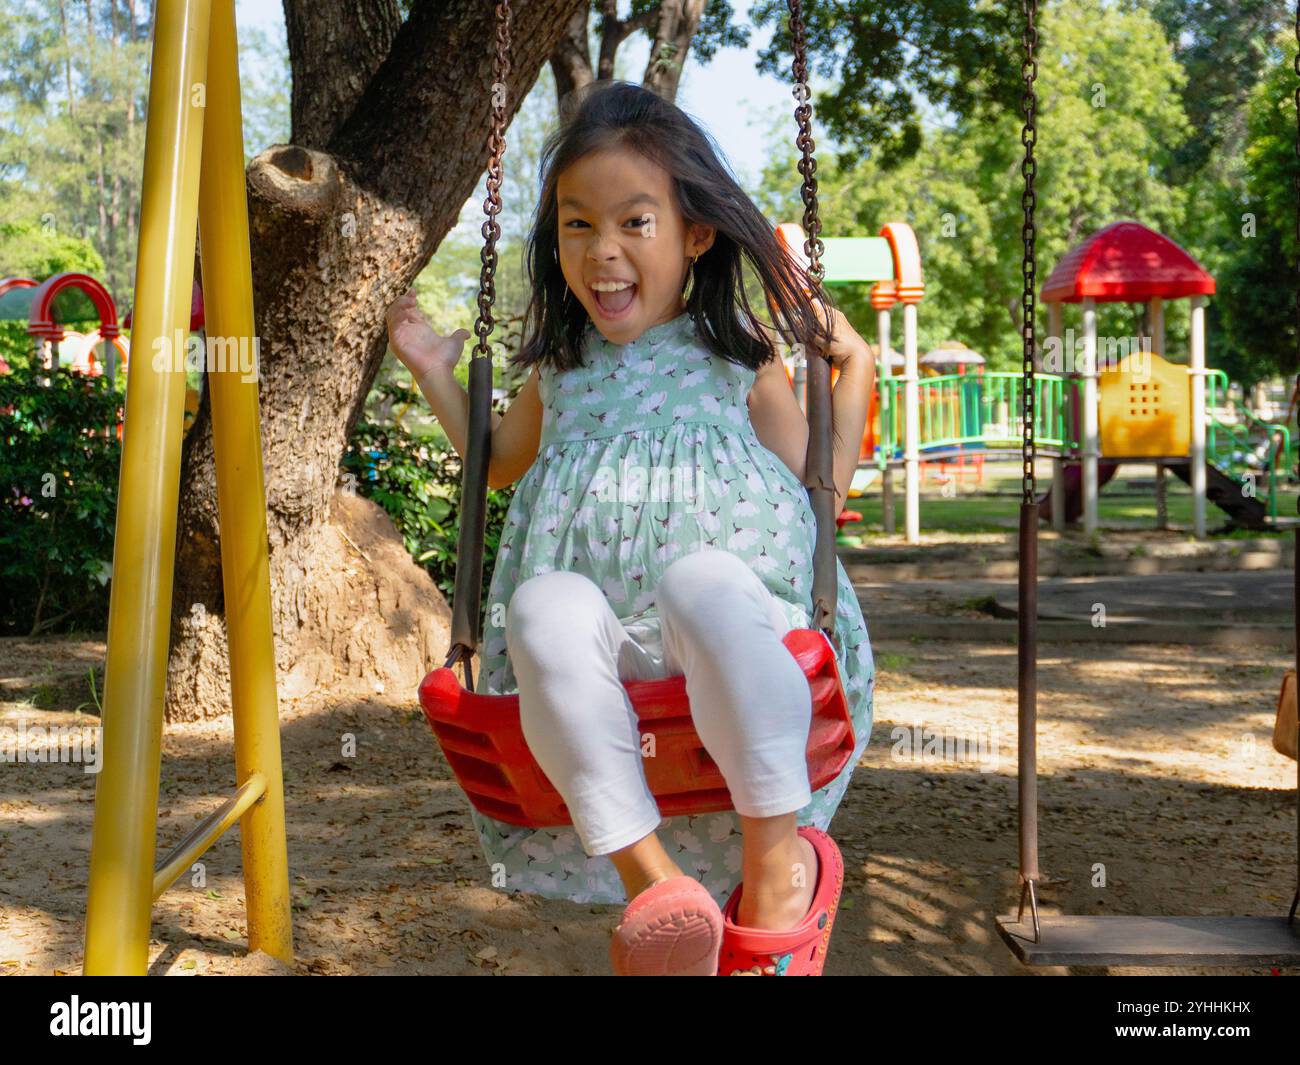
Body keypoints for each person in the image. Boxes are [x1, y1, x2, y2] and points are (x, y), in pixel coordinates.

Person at [386, 80, 876, 975]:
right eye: (578, 225)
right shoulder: (563, 368)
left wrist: (857, 370)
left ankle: (775, 866)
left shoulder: (739, 354)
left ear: (695, 233)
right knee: (540, 608)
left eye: (634, 223)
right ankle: (657, 890)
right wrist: (431, 370)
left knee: (703, 580)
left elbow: (821, 484)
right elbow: (495, 463)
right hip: (615, 652)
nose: (602, 252)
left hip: (742, 633)